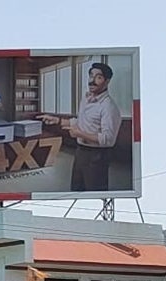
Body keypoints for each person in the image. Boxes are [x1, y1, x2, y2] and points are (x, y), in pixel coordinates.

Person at [39, 62, 122, 191]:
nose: (92, 81)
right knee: (77, 188)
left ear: (107, 81)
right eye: (91, 76)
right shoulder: (86, 99)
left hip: (97, 156)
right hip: (80, 152)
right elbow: (80, 122)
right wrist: (57, 120)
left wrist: (80, 134)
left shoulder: (108, 107)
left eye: (98, 77)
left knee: (94, 191)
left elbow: (108, 139)